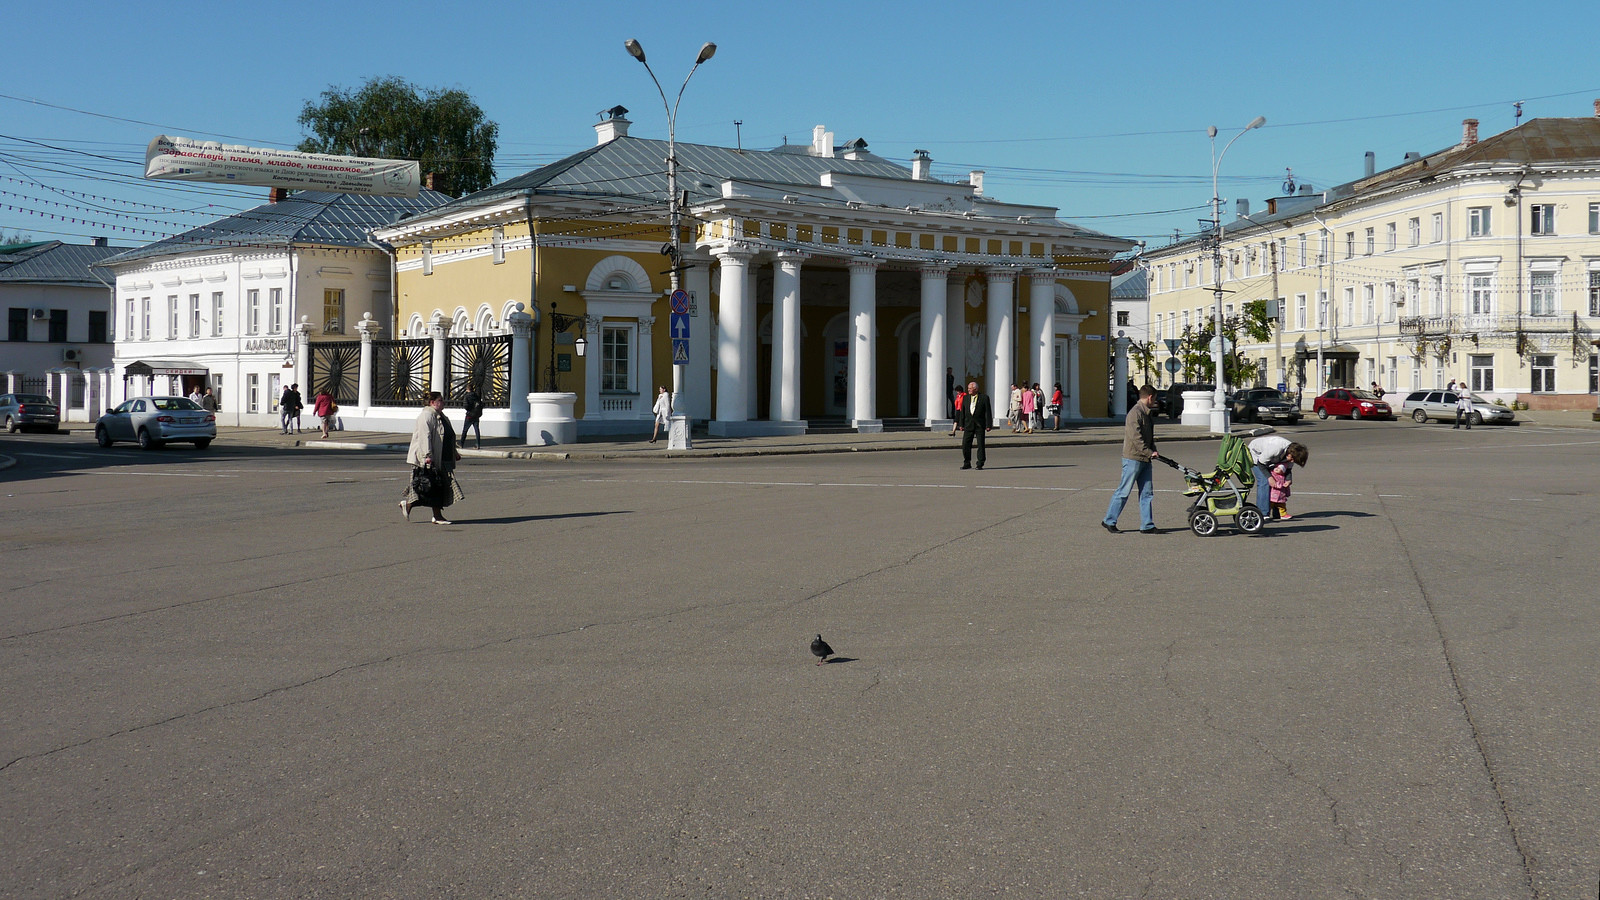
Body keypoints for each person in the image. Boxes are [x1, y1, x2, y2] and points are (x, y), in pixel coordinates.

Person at [1102, 384, 1160, 534]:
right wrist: (1149, 452)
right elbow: (1136, 438)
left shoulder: (1147, 413)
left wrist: (1153, 449)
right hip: (1133, 459)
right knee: (1124, 491)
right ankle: (1109, 520)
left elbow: (1149, 437)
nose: (1155, 402)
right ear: (1150, 397)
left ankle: (1147, 525)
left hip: (1145, 459)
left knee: (1147, 493)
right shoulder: (1135, 413)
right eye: (1154, 399)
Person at [401, 391, 460, 525]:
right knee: (430, 486)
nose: (443, 403)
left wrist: (454, 452)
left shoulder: (441, 416)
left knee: (433, 486)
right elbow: (424, 437)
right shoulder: (426, 416)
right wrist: (427, 456)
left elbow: (447, 437)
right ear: (432, 402)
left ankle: (411, 506)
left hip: (441, 456)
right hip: (428, 458)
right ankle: (436, 516)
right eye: (440, 400)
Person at [1247, 435, 1309, 517]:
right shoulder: (1275, 448)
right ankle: (1262, 513)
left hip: (1271, 459)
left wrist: (1288, 480)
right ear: (1289, 454)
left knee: (1278, 480)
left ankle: (1277, 513)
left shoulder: (1292, 454)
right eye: (1292, 459)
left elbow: (1287, 470)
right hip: (1256, 455)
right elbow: (1261, 463)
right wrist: (1270, 478)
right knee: (1265, 481)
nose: (1292, 461)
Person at [960, 380, 992, 470]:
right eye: (968, 388)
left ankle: (980, 463)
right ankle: (967, 462)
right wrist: (961, 424)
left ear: (976, 389)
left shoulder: (984, 398)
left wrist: (988, 425)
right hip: (968, 425)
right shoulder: (966, 398)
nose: (968, 390)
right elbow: (962, 412)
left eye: (970, 388)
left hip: (979, 425)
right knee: (965, 444)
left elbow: (988, 412)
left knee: (980, 445)